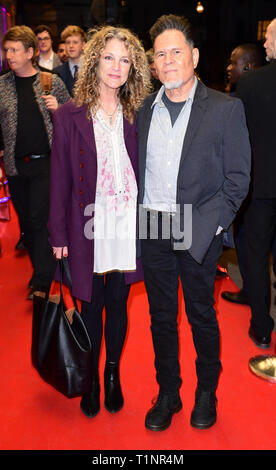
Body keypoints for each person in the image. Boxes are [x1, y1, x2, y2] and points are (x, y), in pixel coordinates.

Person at [138, 14, 251, 431]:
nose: (169, 61)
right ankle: (168, 391)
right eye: (161, 55)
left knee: (201, 314)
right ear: (154, 63)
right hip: (152, 225)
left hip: (196, 226)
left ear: (195, 56)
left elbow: (238, 179)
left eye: (177, 52)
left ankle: (207, 391)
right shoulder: (143, 111)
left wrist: (209, 228)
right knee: (161, 316)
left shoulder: (226, 108)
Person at [48, 25, 150, 418]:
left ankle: (112, 373)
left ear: (133, 68)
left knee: (118, 300)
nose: (116, 66)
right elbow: (58, 178)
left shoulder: (138, 112)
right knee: (89, 302)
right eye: (109, 57)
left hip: (127, 220)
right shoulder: (70, 116)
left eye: (125, 60)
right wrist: (58, 232)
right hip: (87, 220)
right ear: (94, 61)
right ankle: (90, 374)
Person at [0, 25, 70, 298]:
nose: (9, 55)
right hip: (16, 166)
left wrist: (60, 110)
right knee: (27, 225)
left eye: (14, 50)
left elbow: (77, 117)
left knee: (40, 220)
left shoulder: (50, 81)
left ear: (30, 52)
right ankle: (41, 270)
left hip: (47, 164)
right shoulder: (2, 85)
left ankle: (41, 280)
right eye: (7, 50)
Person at [234, 18, 276, 351]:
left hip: (260, 189)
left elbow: (239, 139)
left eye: (269, 38)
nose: (264, 45)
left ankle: (261, 328)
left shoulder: (249, 84)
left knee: (257, 258)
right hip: (260, 188)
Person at [221, 43, 265, 305]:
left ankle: (251, 292)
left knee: (250, 245)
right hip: (261, 182)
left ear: (247, 66)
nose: (228, 68)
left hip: (251, 185)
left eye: (232, 62)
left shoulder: (241, 97)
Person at [54, 25, 86, 96]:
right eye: (68, 42)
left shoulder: (92, 70)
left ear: (83, 45)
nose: (71, 46)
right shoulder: (57, 73)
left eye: (75, 42)